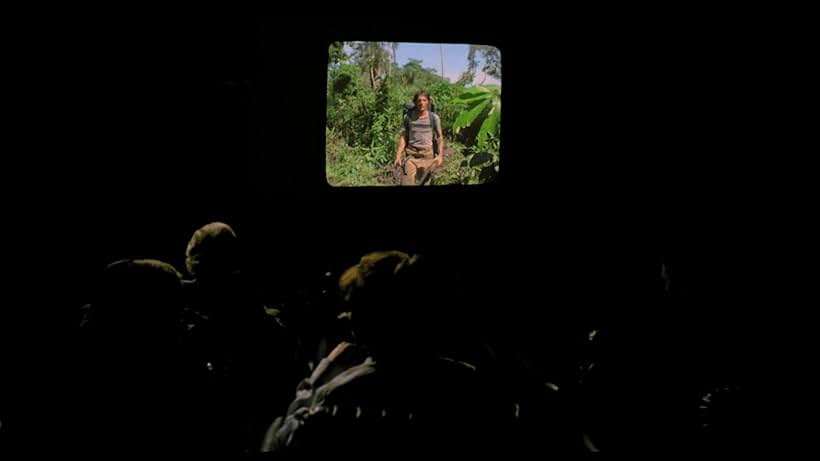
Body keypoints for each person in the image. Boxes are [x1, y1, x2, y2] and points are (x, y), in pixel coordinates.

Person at [394, 90, 444, 186]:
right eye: (419, 100)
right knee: (406, 182)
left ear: (428, 102)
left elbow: (439, 137)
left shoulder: (434, 118)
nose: (421, 103)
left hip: (427, 155)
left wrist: (440, 155)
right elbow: (404, 136)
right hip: (411, 155)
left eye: (424, 100)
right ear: (415, 102)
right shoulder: (408, 117)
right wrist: (398, 155)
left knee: (424, 182)